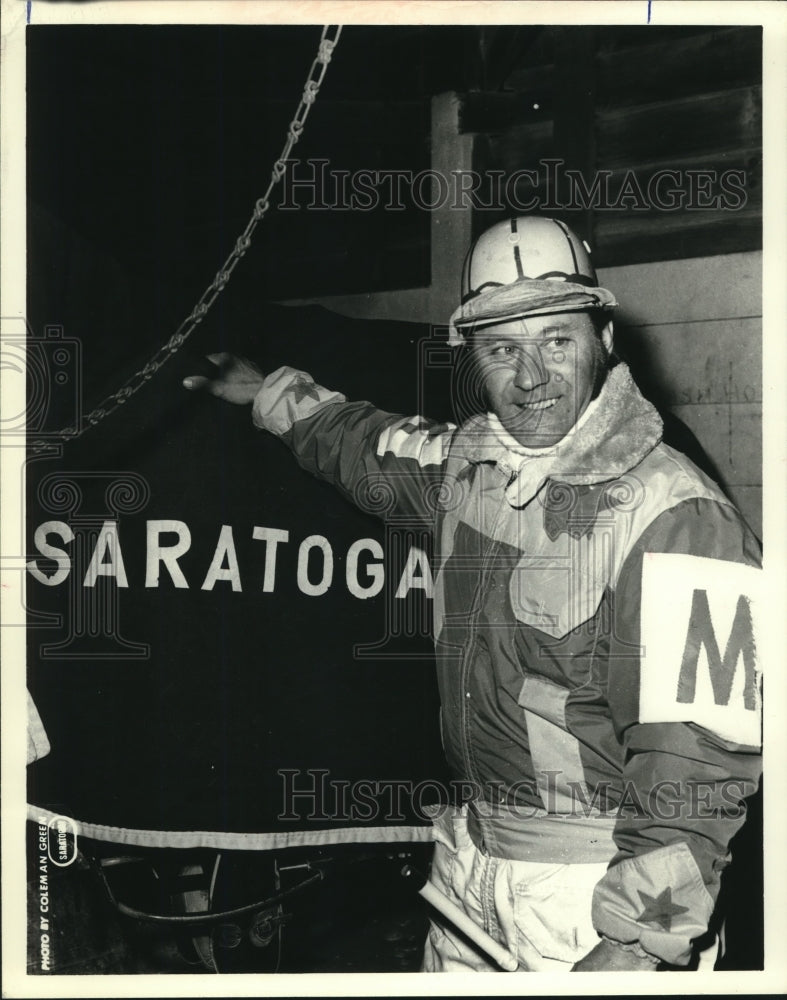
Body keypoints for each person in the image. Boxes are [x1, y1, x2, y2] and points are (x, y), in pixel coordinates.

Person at [183, 216, 762, 972]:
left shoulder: (679, 516)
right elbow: (364, 444)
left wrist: (638, 940)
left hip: (592, 895)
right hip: (467, 867)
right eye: (502, 349)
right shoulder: (467, 469)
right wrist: (268, 392)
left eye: (556, 340)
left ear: (603, 339)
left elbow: (701, 759)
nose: (531, 377)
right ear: (472, 360)